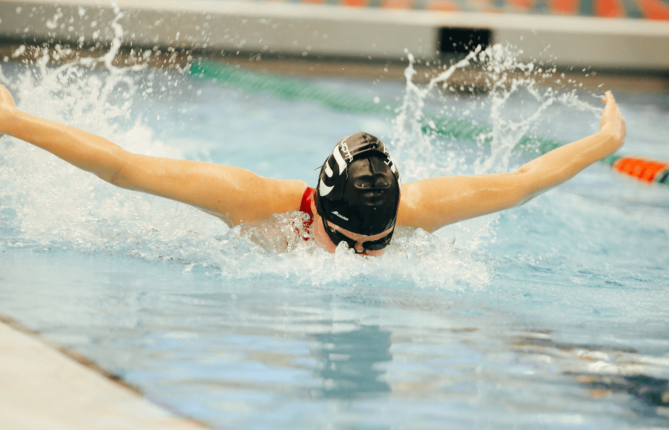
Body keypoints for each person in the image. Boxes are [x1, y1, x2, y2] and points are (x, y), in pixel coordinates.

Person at [0, 85, 626, 256]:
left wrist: (604, 142)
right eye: (353, 244)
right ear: (319, 211)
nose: (357, 256)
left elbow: (522, 184)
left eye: (373, 247)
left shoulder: (419, 210)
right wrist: (11, 120)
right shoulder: (249, 200)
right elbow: (121, 167)